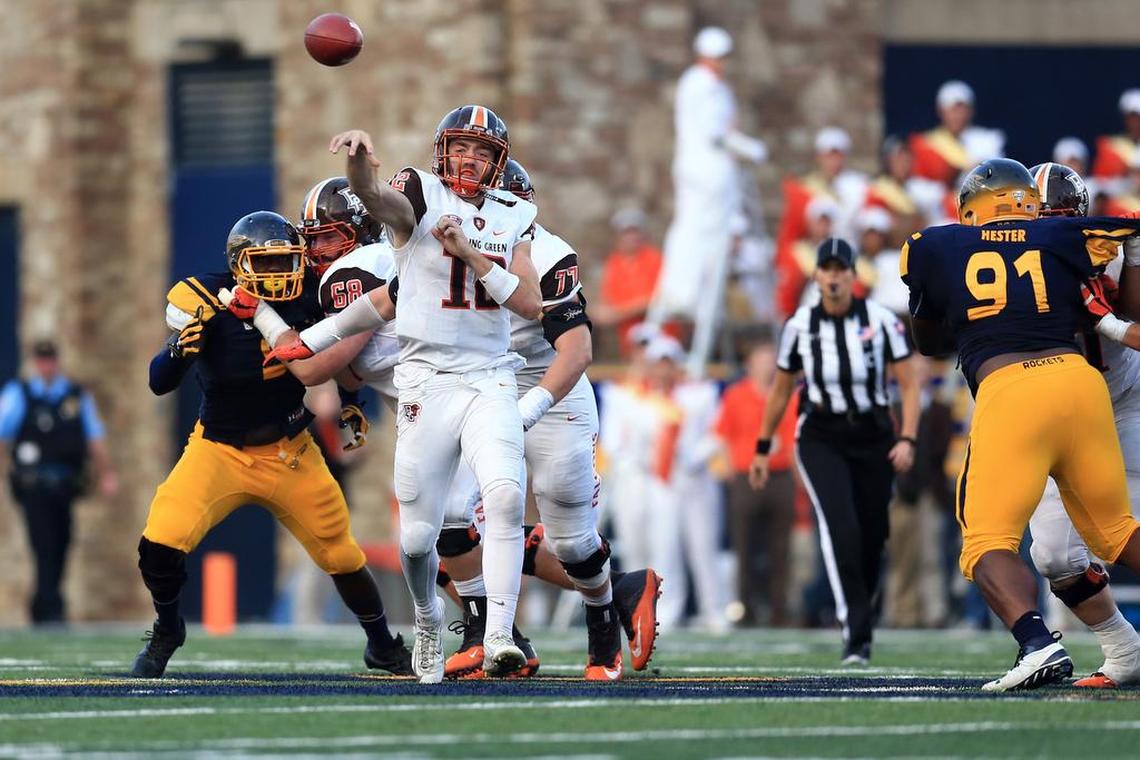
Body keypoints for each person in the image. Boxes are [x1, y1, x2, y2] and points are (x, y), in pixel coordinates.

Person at [267, 106, 543, 683]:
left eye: (483, 152)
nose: (470, 160)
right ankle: (425, 618)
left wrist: (469, 254)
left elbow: (529, 302)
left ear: (498, 161)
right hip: (426, 382)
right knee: (420, 538)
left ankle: (498, 637)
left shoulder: (516, 212)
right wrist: (360, 168)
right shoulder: (419, 193)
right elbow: (379, 214)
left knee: (505, 498)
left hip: (490, 373)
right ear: (443, 150)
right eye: (461, 148)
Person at [132, 210, 411, 679]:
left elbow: (343, 356)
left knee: (342, 555)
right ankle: (167, 626)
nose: (279, 274)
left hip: (290, 449)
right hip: (218, 448)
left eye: (286, 261)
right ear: (239, 264)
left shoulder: (311, 295)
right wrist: (179, 351)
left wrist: (349, 402)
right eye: (265, 264)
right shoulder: (206, 297)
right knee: (159, 542)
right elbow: (159, 382)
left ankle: (382, 644)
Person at [900, 157, 1140, 691]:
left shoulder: (940, 244)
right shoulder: (1075, 237)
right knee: (1079, 546)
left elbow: (928, 337)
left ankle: (1037, 643)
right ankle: (1124, 650)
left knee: (985, 539)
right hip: (1080, 390)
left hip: (1082, 399)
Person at [750, 237, 920, 664]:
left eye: (840, 269)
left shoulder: (881, 320)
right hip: (821, 434)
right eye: (825, 269)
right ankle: (856, 632)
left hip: (874, 433)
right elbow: (782, 390)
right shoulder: (800, 325)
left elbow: (909, 383)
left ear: (852, 274)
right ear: (817, 276)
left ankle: (861, 611)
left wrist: (908, 437)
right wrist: (763, 444)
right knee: (840, 526)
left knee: (873, 535)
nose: (833, 277)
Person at [1024, 161, 1140, 688]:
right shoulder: (1013, 265)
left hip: (1123, 403)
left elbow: (1132, 318)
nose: (1051, 228)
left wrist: (1134, 253)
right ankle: (1124, 648)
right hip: (1063, 410)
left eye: (1061, 218)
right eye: (1042, 216)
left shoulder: (1107, 252)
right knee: (1054, 555)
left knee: (1129, 531)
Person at [650, 26, 767, 375]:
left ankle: (694, 307)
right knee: (699, 243)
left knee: (702, 244)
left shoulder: (707, 85)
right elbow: (716, 133)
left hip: (710, 179)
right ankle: (686, 300)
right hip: (707, 178)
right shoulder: (702, 85)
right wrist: (750, 148)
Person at [0, 340, 118, 624]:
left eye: (50, 359)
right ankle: (48, 605)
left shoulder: (76, 397)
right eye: (41, 360)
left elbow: (94, 439)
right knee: (42, 543)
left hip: (65, 484)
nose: (46, 365)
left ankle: (48, 602)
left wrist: (106, 473)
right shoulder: (20, 394)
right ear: (34, 362)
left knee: (62, 542)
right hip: (33, 484)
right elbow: (3, 434)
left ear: (57, 361)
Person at [715, 338, 798, 626]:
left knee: (781, 549)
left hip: (780, 474)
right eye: (761, 360)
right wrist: (730, 473)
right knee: (745, 546)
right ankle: (746, 609)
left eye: (770, 360)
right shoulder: (736, 395)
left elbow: (795, 439)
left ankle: (779, 609)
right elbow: (724, 435)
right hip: (745, 475)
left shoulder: (789, 394)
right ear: (750, 364)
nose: (766, 366)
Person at [775, 128, 868, 317]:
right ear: (819, 157)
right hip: (818, 253)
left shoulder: (859, 186)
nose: (833, 161)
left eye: (838, 155)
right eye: (828, 155)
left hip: (851, 252)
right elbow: (792, 232)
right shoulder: (804, 189)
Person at [908, 80, 1004, 187]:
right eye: (953, 110)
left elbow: (995, 177)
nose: (958, 115)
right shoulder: (926, 143)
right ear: (941, 111)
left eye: (963, 109)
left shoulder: (989, 140)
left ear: (971, 111)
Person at [595, 208, 663, 357]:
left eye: (635, 231)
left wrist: (617, 313)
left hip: (658, 340)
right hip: (628, 343)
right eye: (627, 232)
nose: (631, 237)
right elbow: (605, 303)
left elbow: (658, 300)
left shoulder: (654, 259)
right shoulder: (614, 263)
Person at [1091, 89, 1140, 183]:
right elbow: (1101, 182)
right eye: (1133, 116)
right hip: (1122, 197)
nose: (1137, 121)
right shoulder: (1110, 147)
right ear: (1126, 118)